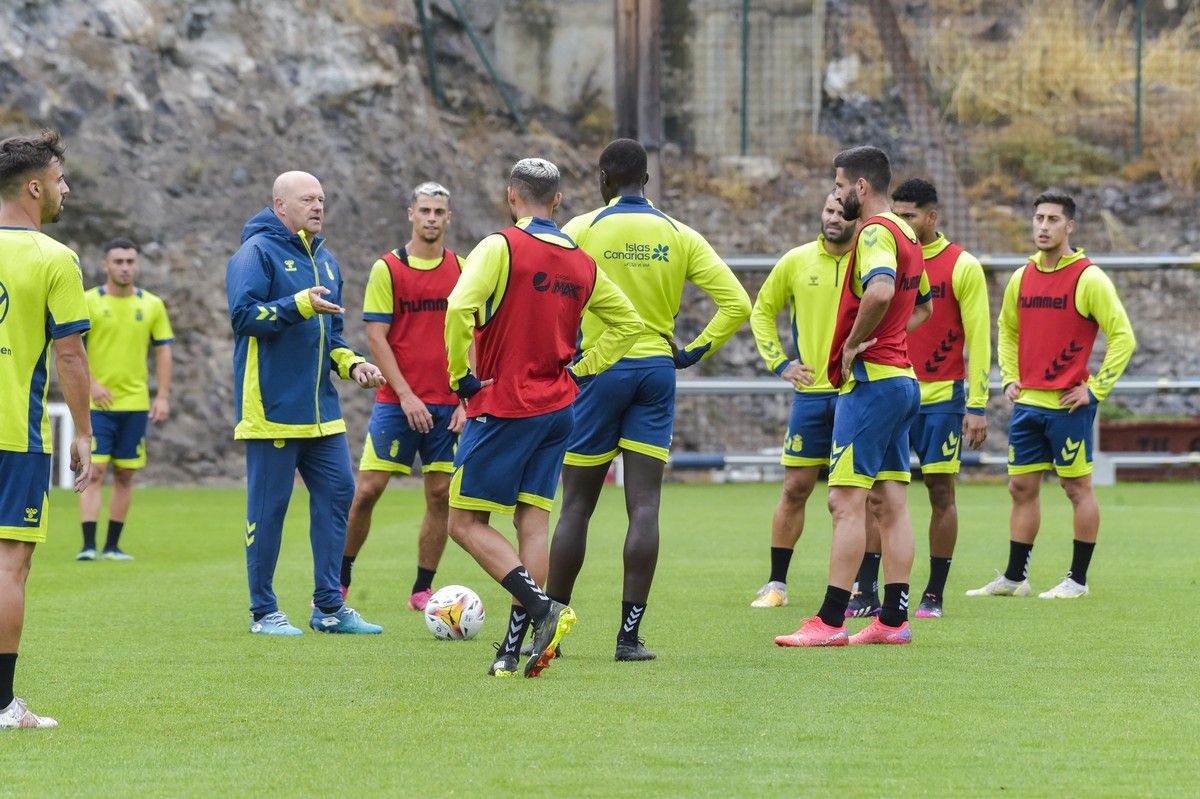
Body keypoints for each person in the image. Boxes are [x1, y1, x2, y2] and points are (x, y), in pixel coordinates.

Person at [545, 138, 751, 661]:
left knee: (576, 506)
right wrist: (690, 352)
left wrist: (563, 352)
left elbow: (547, 289)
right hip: (656, 371)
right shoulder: (678, 233)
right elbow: (737, 303)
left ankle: (552, 628)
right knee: (644, 505)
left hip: (598, 371)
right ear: (647, 181)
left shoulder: (582, 229)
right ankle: (628, 638)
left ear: (604, 179)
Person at [444, 157, 641, 678]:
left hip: (504, 405)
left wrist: (459, 378)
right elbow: (628, 324)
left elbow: (459, 307)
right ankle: (512, 649)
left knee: (463, 523)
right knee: (532, 522)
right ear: (557, 201)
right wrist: (581, 370)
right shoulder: (581, 262)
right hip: (558, 408)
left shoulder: (500, 246)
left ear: (512, 196)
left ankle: (542, 608)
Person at [774, 145, 931, 648]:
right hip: (903, 379)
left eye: (840, 185)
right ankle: (893, 619)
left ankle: (831, 621)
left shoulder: (875, 231)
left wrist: (851, 345)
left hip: (873, 383)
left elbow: (881, 290)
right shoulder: (909, 231)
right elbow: (917, 302)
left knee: (844, 502)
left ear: (861, 188)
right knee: (892, 503)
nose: (837, 194)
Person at [226, 170, 387, 636]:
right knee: (268, 510)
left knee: (340, 495)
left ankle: (329, 607)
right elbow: (243, 316)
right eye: (307, 200)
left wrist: (354, 364)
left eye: (322, 199)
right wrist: (297, 304)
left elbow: (329, 336)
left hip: (322, 413)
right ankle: (264, 612)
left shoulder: (327, 260)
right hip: (272, 409)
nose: (318, 207)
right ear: (280, 206)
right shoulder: (255, 252)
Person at [967, 192, 1135, 600]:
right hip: (1027, 406)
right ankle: (1014, 578)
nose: (1043, 226)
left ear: (1069, 227)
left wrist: (1094, 390)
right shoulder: (1022, 277)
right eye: (1038, 218)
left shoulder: (1088, 277)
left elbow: (1123, 338)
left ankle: (1077, 580)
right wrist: (1009, 377)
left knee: (1077, 489)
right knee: (1020, 489)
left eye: (1053, 220)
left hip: (1067, 407)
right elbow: (1006, 329)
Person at [846, 178, 990, 619]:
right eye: (898, 213)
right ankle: (867, 590)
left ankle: (934, 593)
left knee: (940, 491)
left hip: (943, 397)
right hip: (891, 387)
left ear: (932, 217)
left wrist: (977, 405)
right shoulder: (888, 252)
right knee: (876, 494)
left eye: (909, 215)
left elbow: (980, 337)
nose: (901, 221)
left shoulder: (962, 265)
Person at [0, 130, 92, 729]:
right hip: (14, 436)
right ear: (34, 187)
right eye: (59, 180)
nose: (65, 189)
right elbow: (71, 357)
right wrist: (82, 433)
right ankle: (3, 705)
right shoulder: (54, 258)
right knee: (10, 566)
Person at [341, 182, 465, 611]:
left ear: (449, 218)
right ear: (410, 213)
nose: (432, 217)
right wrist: (408, 395)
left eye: (439, 211)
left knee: (440, 493)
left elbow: (474, 336)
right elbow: (376, 336)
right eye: (425, 210)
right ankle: (339, 581)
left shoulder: (463, 270)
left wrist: (468, 400)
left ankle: (421, 589)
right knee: (368, 490)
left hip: (449, 405)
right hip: (398, 404)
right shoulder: (387, 268)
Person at [748, 193, 854, 609]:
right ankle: (777, 585)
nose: (831, 218)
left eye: (840, 212)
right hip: (811, 395)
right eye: (827, 210)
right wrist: (780, 363)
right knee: (795, 487)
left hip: (856, 392)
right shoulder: (796, 260)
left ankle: (863, 587)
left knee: (863, 495)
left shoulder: (870, 260)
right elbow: (762, 311)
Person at [77, 237, 174, 561]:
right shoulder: (88, 301)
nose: (124, 267)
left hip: (134, 403)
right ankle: (89, 545)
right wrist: (90, 383)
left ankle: (112, 546)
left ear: (137, 265)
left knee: (125, 473)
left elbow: (163, 351)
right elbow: (71, 349)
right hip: (98, 404)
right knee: (95, 471)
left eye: (130, 261)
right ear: (105, 265)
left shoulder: (152, 305)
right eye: (118, 261)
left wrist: (162, 395)